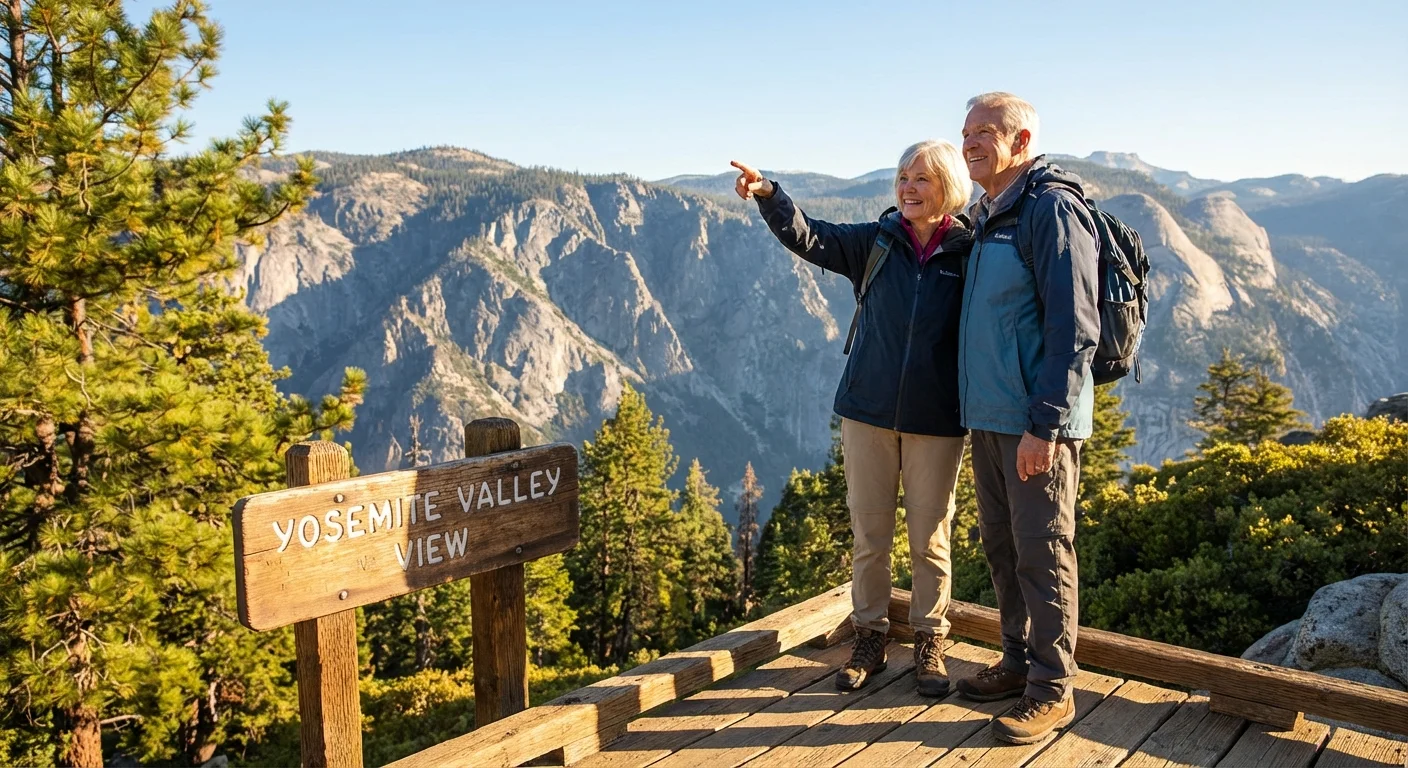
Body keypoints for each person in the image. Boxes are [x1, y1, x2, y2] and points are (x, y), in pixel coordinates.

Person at [731, 140, 973, 697]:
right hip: (866, 412)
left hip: (938, 419)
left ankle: (930, 641)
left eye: (922, 179)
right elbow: (810, 235)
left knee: (930, 537)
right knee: (871, 534)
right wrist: (770, 194)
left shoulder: (969, 252)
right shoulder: (876, 241)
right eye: (903, 177)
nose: (908, 188)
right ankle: (870, 637)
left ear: (946, 188)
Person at [952, 92, 1100, 744]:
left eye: (987, 132)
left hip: (1034, 424)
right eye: (966, 133)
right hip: (989, 417)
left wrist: (1045, 423)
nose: (972, 143)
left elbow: (1075, 325)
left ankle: (1052, 688)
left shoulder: (1050, 208)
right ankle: (1016, 660)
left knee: (1044, 552)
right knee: (1003, 547)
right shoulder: (989, 213)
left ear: (1022, 140)